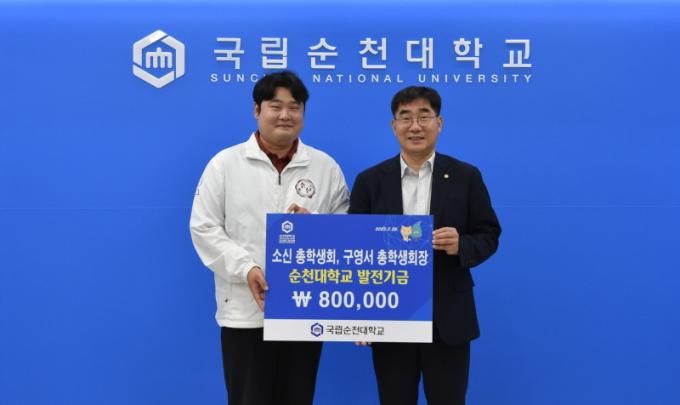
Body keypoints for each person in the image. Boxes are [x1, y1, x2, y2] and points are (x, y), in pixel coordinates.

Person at [190, 70, 350, 405]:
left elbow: (346, 230)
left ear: (303, 112)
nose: (285, 115)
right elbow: (204, 228)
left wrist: (316, 228)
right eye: (275, 106)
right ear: (256, 110)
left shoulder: (325, 167)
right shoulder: (225, 164)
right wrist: (246, 268)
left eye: (294, 107)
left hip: (304, 310)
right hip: (245, 312)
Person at [349, 86, 501, 405]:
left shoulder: (465, 176)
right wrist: (360, 317)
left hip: (448, 318)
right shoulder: (370, 181)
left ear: (439, 123)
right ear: (394, 126)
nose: (415, 126)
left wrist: (461, 245)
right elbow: (355, 249)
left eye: (424, 116)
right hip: (390, 316)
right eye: (405, 117)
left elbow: (489, 234)